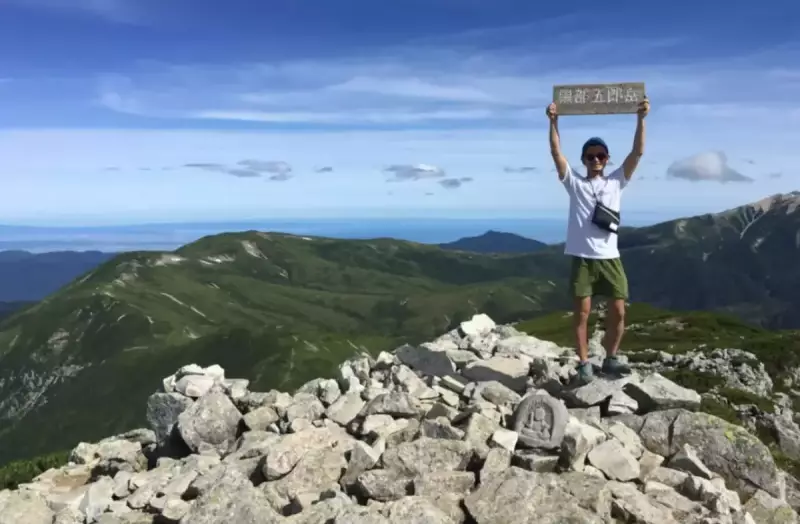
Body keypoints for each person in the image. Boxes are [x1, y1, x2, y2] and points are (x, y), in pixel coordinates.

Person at [546, 96, 650, 383]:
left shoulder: (616, 181)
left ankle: (611, 358)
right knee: (582, 314)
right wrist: (553, 122)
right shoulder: (575, 184)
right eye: (590, 156)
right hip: (583, 258)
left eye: (600, 156)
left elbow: (638, 152)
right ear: (583, 160)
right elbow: (556, 152)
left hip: (610, 258)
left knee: (619, 311)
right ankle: (583, 363)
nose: (595, 160)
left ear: (607, 159)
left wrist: (641, 119)